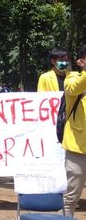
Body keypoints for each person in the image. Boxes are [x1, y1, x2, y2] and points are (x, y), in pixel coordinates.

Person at [62, 44, 86, 217]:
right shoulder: (71, 78)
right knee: (71, 196)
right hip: (77, 147)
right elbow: (75, 87)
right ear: (80, 62)